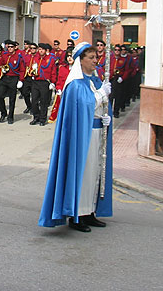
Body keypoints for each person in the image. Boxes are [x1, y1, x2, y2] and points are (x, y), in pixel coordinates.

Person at [39, 42, 113, 233]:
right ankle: (76, 214)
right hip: (81, 135)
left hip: (97, 133)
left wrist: (106, 116)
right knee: (82, 172)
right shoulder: (75, 85)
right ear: (81, 61)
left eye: (96, 57)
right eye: (91, 58)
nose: (95, 61)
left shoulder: (96, 82)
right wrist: (101, 97)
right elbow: (85, 105)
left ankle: (90, 212)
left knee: (95, 172)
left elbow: (98, 105)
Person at [0, 41, 25, 125]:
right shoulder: (4, 55)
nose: (10, 48)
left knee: (12, 99)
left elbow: (22, 70)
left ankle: (10, 116)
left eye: (12, 47)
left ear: (15, 47)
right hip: (4, 78)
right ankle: (3, 113)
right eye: (8, 47)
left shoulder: (18, 57)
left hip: (13, 78)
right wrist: (1, 71)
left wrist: (21, 80)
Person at [30, 43, 57, 126]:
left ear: (46, 51)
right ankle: (36, 117)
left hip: (45, 82)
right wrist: (32, 74)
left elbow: (53, 71)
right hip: (36, 81)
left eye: (42, 49)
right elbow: (32, 67)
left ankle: (42, 119)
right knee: (34, 101)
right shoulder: (35, 58)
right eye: (39, 49)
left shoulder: (50, 59)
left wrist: (53, 82)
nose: (40, 51)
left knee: (43, 101)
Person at [48, 49, 73, 122]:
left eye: (71, 56)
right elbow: (59, 81)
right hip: (63, 91)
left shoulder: (79, 69)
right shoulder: (62, 68)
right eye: (68, 56)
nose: (69, 58)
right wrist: (58, 88)